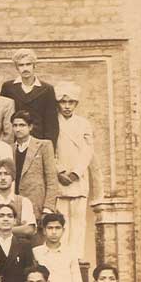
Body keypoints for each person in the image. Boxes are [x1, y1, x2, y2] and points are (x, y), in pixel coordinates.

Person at [53, 81, 96, 259]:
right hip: (59, 179)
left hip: (78, 179)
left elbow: (88, 150)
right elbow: (49, 149)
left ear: (76, 104)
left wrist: (75, 173)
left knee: (78, 220)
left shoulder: (83, 124)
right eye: (63, 102)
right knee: (61, 220)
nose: (67, 106)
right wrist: (60, 171)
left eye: (71, 102)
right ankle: (61, 255)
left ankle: (77, 257)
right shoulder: (53, 122)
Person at [33, 212, 85, 282]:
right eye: (50, 228)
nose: (54, 232)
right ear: (44, 230)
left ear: (63, 230)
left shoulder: (70, 253)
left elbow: (77, 280)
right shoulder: (36, 253)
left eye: (57, 228)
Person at [0, 47, 59, 144]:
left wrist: (49, 146)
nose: (25, 68)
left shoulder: (47, 89)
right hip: (15, 141)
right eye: (21, 65)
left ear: (34, 65)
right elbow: (3, 116)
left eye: (28, 64)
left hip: (38, 141)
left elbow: (51, 123)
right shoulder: (8, 87)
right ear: (17, 68)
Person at [10, 110, 58, 222]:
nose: (18, 129)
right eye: (15, 125)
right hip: (14, 206)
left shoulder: (43, 146)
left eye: (22, 125)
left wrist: (48, 208)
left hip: (37, 205)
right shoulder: (9, 149)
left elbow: (52, 179)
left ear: (30, 127)